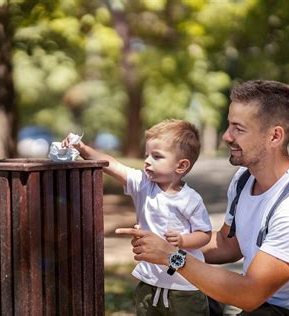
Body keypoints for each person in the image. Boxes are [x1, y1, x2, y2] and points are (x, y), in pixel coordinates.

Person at [116, 80, 289, 315]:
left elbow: (249, 294)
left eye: (239, 128)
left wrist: (171, 256)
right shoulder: (244, 180)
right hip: (258, 303)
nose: (226, 136)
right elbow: (228, 245)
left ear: (275, 136)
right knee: (185, 293)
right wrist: (162, 243)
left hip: (284, 309)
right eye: (229, 126)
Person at [62, 119, 212, 315]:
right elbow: (112, 165)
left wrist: (183, 240)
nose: (147, 161)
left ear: (181, 166)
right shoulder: (143, 184)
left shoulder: (190, 199)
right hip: (149, 282)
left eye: (157, 156)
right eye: (147, 155)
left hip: (185, 286)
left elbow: (205, 234)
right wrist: (81, 147)